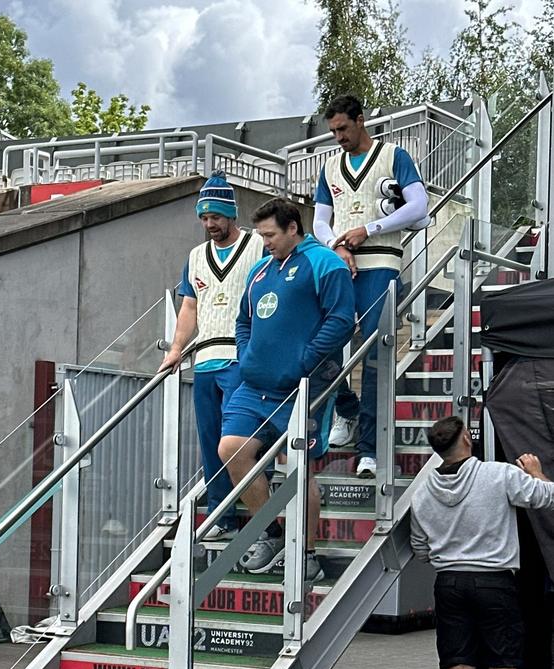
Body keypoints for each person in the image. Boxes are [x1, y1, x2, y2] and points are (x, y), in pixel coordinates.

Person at [410, 415, 554, 669]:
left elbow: (420, 548)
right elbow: (545, 497)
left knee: (459, 668)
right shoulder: (498, 475)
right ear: (468, 442)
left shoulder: (423, 491)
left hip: (448, 583)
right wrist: (537, 471)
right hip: (494, 582)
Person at [218, 197, 355, 582]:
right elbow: (243, 321)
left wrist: (305, 361)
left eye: (271, 235)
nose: (265, 243)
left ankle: (307, 555)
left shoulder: (324, 262)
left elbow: (343, 319)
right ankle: (272, 532)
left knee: (300, 470)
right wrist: (246, 357)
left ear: (293, 228)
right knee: (231, 450)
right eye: (262, 235)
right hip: (254, 382)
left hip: (303, 388)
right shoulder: (260, 270)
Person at [313, 94, 429, 479]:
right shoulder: (330, 167)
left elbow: (419, 206)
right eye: (332, 131)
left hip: (381, 259)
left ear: (360, 120)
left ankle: (370, 448)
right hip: (340, 263)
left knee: (375, 353)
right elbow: (319, 222)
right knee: (321, 346)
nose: (338, 137)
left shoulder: (393, 154)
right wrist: (336, 245)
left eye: (343, 128)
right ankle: (345, 409)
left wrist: (370, 228)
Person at [159, 170, 264, 539]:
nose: (210, 224)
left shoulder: (257, 246)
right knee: (209, 441)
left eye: (215, 216)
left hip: (243, 356)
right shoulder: (196, 256)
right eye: (204, 218)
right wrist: (176, 349)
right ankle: (223, 515)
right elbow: (189, 306)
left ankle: (256, 514)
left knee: (235, 440)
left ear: (231, 214)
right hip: (205, 358)